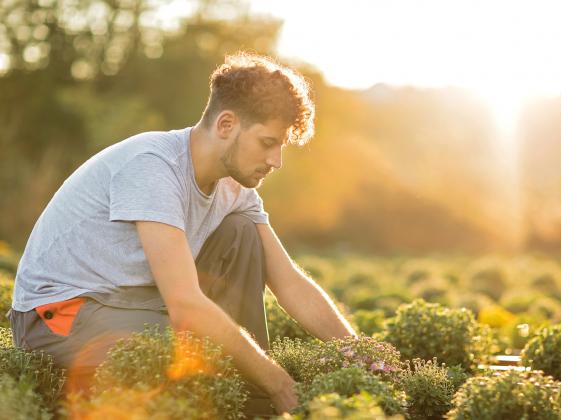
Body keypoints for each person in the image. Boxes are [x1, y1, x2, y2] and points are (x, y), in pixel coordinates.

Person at [8, 52, 356, 415]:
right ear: (225, 125)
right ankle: (262, 393)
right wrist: (279, 380)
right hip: (60, 314)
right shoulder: (153, 167)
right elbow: (185, 304)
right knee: (206, 351)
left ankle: (251, 402)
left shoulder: (236, 190)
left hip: (134, 303)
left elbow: (290, 284)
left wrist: (360, 354)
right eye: (268, 142)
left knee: (242, 233)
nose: (276, 160)